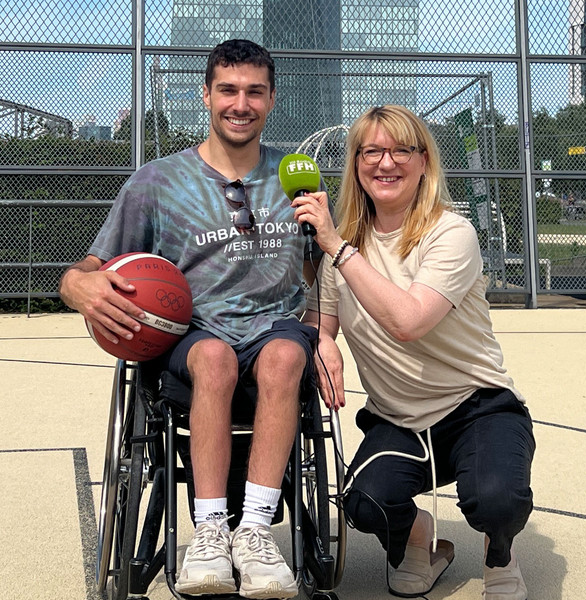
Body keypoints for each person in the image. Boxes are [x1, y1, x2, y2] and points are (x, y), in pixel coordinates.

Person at [60, 39, 328, 599]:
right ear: (206, 95)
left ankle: (253, 530)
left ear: (272, 99)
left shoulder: (296, 177)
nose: (241, 102)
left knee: (284, 357)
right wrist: (75, 283)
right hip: (195, 334)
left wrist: (323, 335)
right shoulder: (157, 181)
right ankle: (210, 530)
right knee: (214, 357)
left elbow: (320, 266)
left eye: (255, 91)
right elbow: (93, 263)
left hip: (274, 328)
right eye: (228, 89)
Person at [293, 105, 535, 600]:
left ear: (424, 161)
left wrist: (337, 248)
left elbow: (408, 321)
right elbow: (320, 323)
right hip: (398, 419)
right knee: (364, 503)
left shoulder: (450, 233)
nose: (387, 163)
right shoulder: (348, 247)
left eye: (401, 150)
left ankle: (499, 552)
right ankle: (420, 536)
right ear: (356, 164)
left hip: (476, 407)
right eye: (372, 151)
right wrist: (320, 339)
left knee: (496, 500)